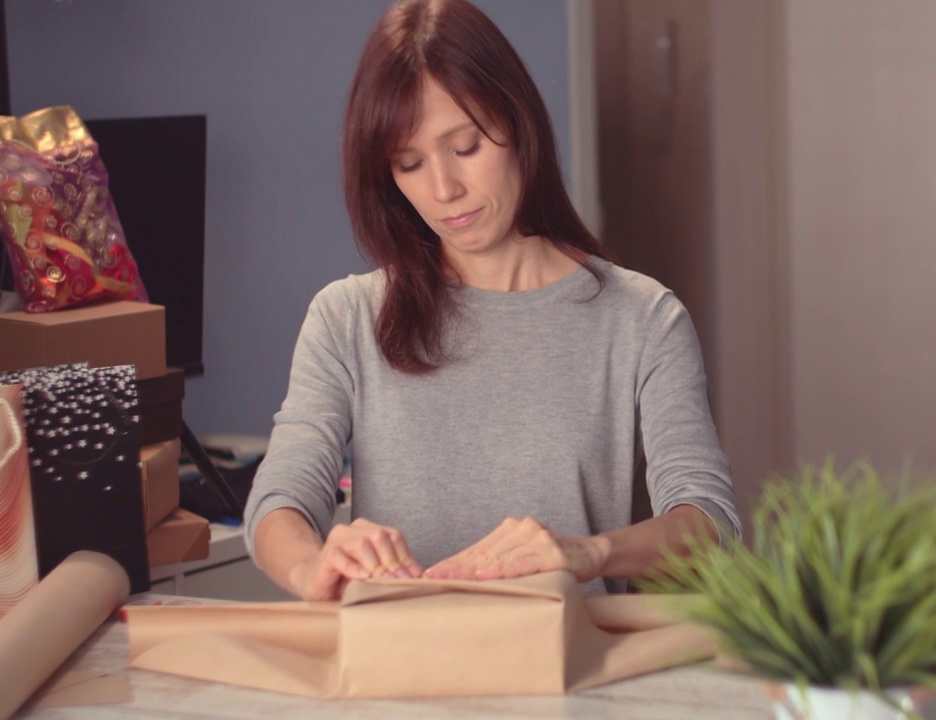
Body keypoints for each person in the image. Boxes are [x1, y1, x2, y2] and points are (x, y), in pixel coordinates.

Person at [243, 0, 740, 601]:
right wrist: (309, 567)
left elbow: (710, 523)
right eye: (409, 163)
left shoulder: (642, 318)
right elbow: (281, 498)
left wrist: (590, 552)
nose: (444, 189)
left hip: (566, 673)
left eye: (466, 146)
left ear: (518, 122)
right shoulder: (347, 317)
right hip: (398, 672)